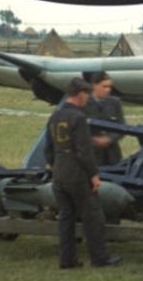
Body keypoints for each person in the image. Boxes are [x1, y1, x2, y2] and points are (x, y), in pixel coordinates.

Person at [43, 78, 123, 269]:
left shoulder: (55, 116)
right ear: (80, 94)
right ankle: (100, 258)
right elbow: (84, 151)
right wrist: (94, 175)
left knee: (66, 217)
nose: (87, 99)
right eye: (86, 95)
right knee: (92, 216)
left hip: (60, 171)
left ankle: (67, 259)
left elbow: (48, 147)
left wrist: (53, 165)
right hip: (77, 173)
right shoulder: (78, 118)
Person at [84, 71, 126, 166]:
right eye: (104, 87)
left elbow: (122, 127)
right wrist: (93, 140)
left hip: (111, 154)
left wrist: (109, 138)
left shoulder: (115, 103)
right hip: (90, 153)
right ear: (94, 85)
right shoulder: (84, 102)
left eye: (109, 87)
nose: (108, 90)